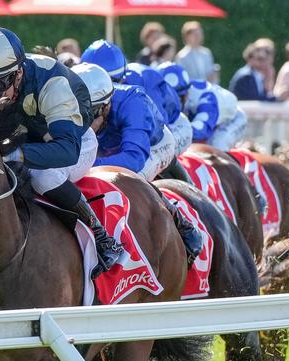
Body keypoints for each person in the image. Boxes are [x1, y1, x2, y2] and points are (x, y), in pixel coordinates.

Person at [0, 27, 123, 277]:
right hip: (23, 132)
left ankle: (102, 236)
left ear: (18, 73)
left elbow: (67, 149)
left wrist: (14, 155)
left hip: (73, 139)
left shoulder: (52, 82)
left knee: (42, 176)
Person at [72, 62, 202, 265]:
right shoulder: (93, 105)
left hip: (154, 146)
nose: (84, 124)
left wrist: (86, 164)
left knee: (131, 180)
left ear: (106, 106)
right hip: (110, 146)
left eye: (90, 115)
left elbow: (133, 159)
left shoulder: (134, 103)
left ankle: (182, 223)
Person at [159, 62, 247, 152]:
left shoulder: (206, 100)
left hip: (232, 119)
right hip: (205, 118)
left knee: (216, 145)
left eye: (175, 98)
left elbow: (201, 130)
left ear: (186, 94)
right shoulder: (184, 89)